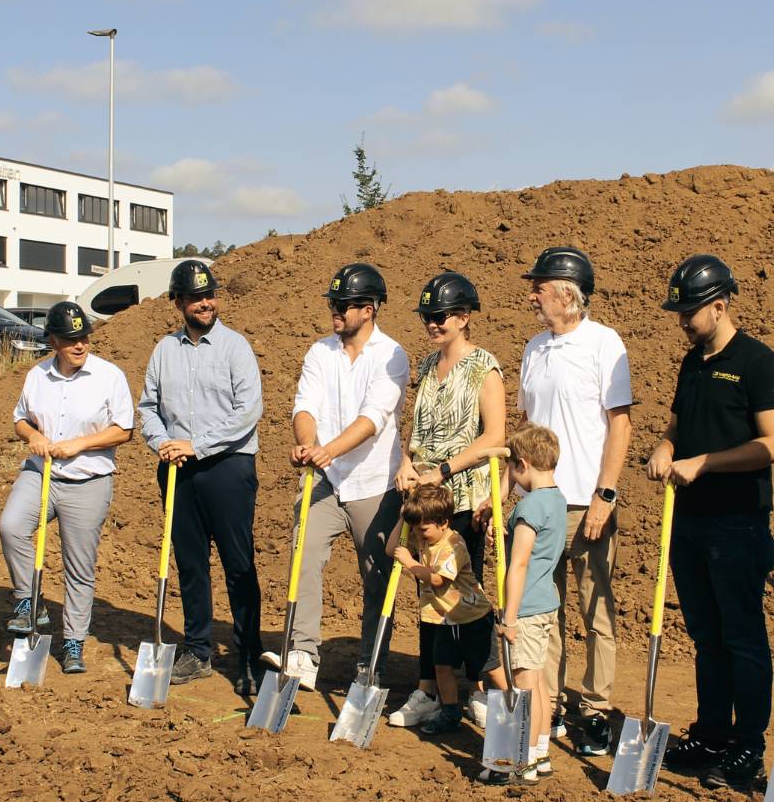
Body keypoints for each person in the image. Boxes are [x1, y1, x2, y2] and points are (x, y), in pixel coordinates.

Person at [647, 255, 774, 790]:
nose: (683, 321)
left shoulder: (758, 363)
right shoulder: (692, 364)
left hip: (738, 523)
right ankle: (711, 734)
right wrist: (665, 448)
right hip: (690, 523)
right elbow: (678, 428)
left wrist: (703, 464)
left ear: (720, 305)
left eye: (691, 312)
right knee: (706, 635)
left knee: (743, 637)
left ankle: (746, 745)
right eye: (679, 312)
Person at [271, 262, 410, 691]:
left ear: (368, 310)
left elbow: (373, 418)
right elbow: (304, 407)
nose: (335, 310)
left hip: (376, 483)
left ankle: (370, 667)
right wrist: (308, 444)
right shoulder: (320, 352)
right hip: (326, 480)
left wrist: (326, 450)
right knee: (304, 557)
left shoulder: (392, 355)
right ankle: (301, 654)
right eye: (333, 303)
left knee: (377, 578)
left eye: (343, 304)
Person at [517, 246, 633, 756]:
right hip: (540, 502)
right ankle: (556, 702)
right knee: (546, 609)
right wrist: (506, 491)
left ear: (567, 292)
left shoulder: (604, 344)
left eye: (539, 287)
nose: (532, 295)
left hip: (586, 502)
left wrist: (605, 494)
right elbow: (525, 429)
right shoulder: (533, 349)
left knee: (595, 609)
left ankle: (596, 707)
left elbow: (620, 424)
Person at [138, 259, 265, 695]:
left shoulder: (235, 348)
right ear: (178, 302)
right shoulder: (163, 351)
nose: (206, 302)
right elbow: (147, 408)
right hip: (176, 469)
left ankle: (249, 652)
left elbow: (247, 412)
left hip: (228, 467)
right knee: (190, 564)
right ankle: (197, 650)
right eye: (196, 297)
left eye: (210, 295)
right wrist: (163, 443)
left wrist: (197, 443)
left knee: (238, 563)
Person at [388, 271, 506, 730]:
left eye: (439, 316)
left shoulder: (484, 367)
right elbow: (415, 434)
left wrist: (443, 469)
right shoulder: (423, 367)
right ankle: (429, 687)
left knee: (461, 595)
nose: (432, 324)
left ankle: (475, 686)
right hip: (425, 499)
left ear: (463, 317)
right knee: (426, 593)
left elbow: (495, 436)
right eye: (427, 317)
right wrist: (405, 461)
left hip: (464, 497)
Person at [0, 300, 135, 676]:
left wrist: (80, 444)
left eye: (85, 338)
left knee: (79, 566)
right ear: (54, 341)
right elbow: (20, 420)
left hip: (88, 481)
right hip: (41, 474)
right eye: (71, 339)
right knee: (11, 527)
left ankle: (73, 642)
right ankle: (30, 601)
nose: (80, 345)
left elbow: (123, 429)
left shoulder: (109, 376)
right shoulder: (37, 376)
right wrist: (33, 436)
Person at [482, 423, 568, 786]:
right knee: (540, 684)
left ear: (523, 464)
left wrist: (510, 617)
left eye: (512, 470)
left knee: (525, 685)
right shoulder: (557, 500)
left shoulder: (530, 506)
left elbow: (517, 564)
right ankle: (540, 752)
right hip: (547, 602)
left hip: (527, 608)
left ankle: (522, 759)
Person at [392, 482, 494, 735]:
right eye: (414, 528)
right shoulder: (423, 538)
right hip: (444, 619)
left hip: (471, 617)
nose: (418, 534)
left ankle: (505, 706)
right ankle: (450, 712)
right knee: (442, 667)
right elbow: (390, 549)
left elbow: (438, 579)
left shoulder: (454, 545)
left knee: (484, 665)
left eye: (422, 528)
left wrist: (409, 562)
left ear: (444, 523)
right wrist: (403, 520)